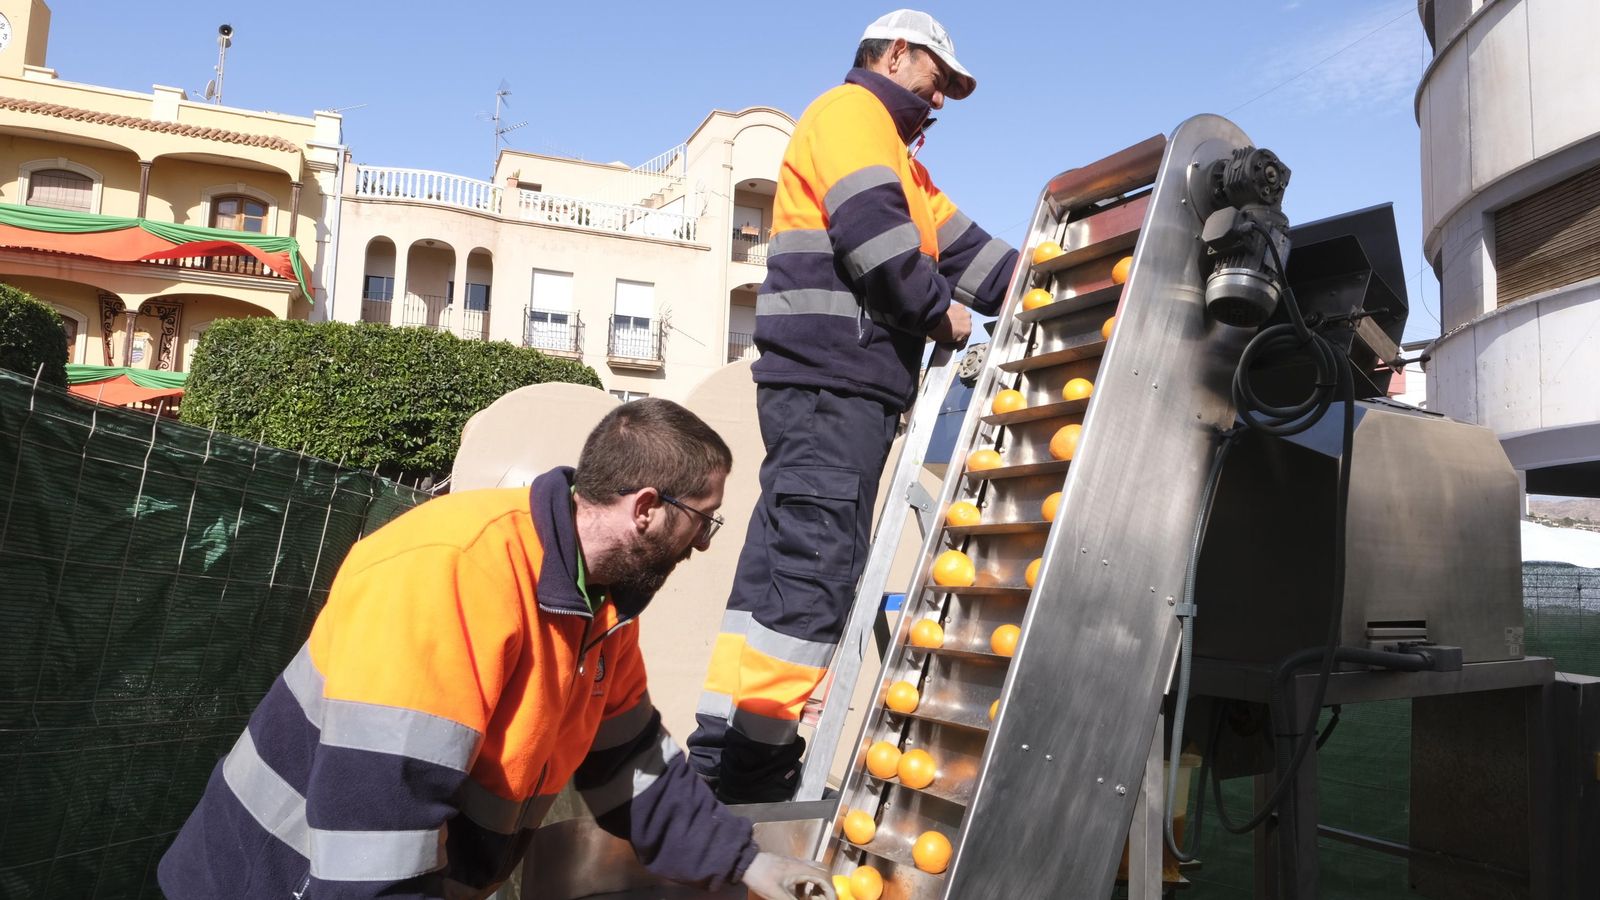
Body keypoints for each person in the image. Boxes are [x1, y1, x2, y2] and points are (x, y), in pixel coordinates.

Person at [158, 399, 832, 900]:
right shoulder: (454, 570)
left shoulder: (600, 608)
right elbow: (379, 825)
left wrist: (751, 864)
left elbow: (632, 766)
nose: (705, 544)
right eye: (704, 519)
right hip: (271, 880)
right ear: (647, 507)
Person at [687, 9, 1020, 803]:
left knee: (775, 572)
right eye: (939, 81)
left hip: (834, 392)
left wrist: (1067, 275)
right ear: (898, 55)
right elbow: (880, 248)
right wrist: (940, 313)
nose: (940, 102)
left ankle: (716, 754)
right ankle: (757, 766)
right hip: (834, 387)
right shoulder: (852, 115)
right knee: (814, 574)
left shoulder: (900, 161)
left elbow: (976, 256)